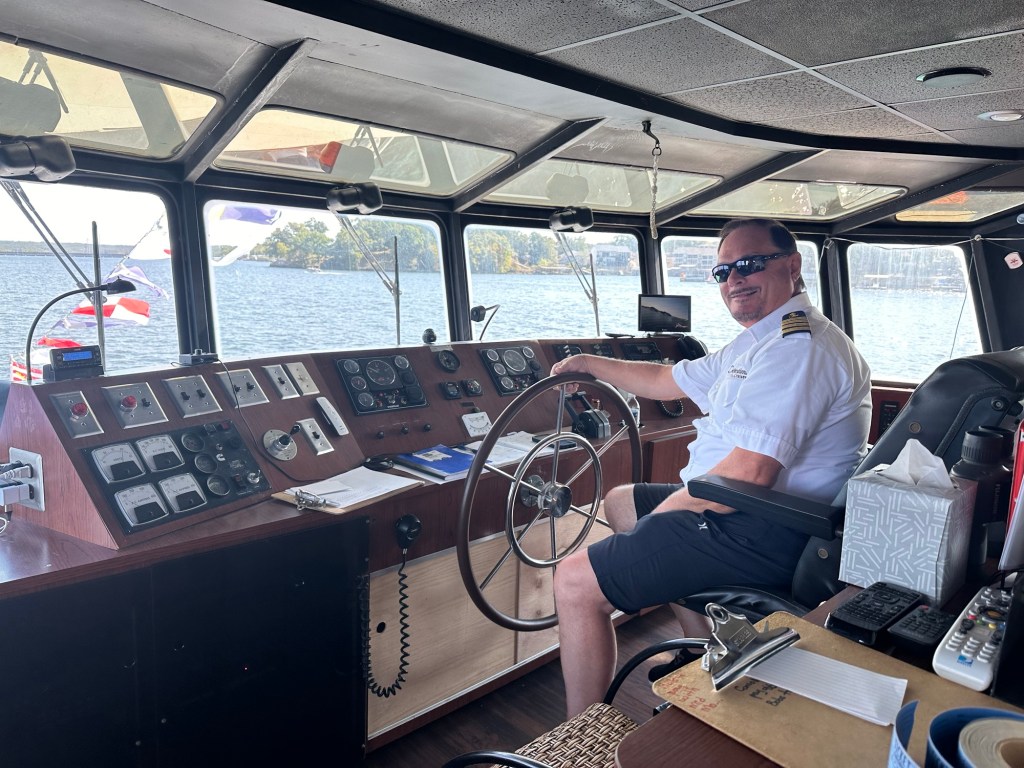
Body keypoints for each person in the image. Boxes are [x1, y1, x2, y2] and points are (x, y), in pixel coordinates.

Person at [549, 218, 872, 718]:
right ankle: (700, 651)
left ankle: (578, 739)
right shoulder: (761, 338)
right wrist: (590, 364)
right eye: (723, 271)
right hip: (741, 507)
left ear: (792, 266)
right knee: (622, 502)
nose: (734, 279)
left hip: (764, 525)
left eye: (750, 265)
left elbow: (749, 473)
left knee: (574, 582)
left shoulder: (799, 346)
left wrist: (662, 523)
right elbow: (666, 380)